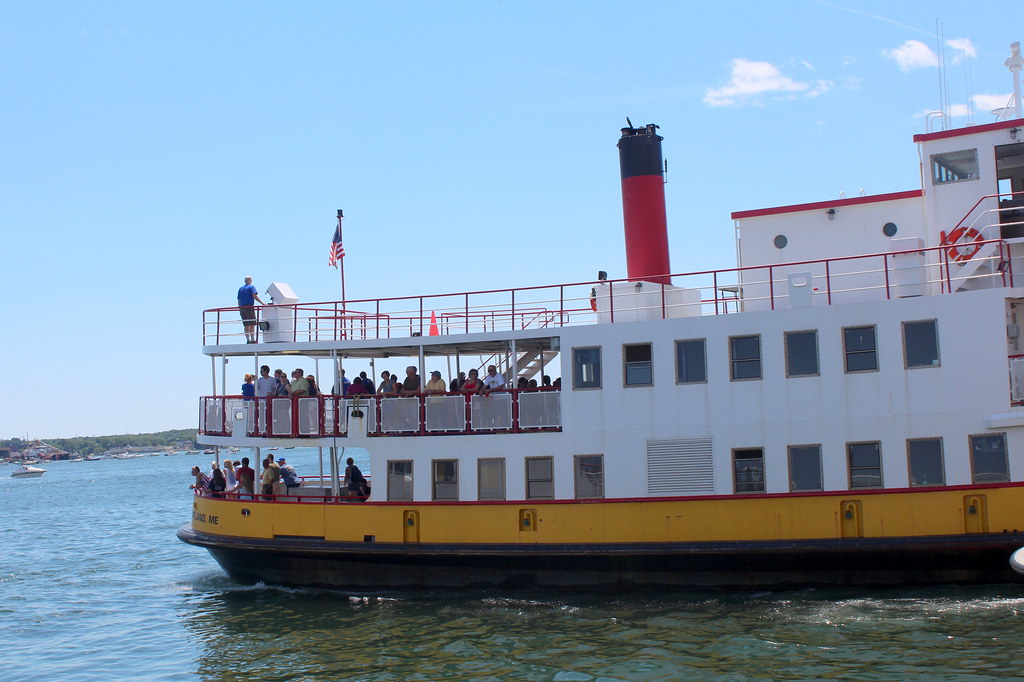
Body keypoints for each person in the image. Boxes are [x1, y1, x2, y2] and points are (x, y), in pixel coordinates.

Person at [237, 276, 265, 343]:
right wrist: (262, 303)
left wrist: (240, 309)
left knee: (246, 324)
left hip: (242, 308)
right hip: (249, 307)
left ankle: (248, 340)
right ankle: (252, 339)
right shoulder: (251, 287)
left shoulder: (240, 289)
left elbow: (238, 300)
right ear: (250, 281)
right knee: (252, 323)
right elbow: (254, 296)